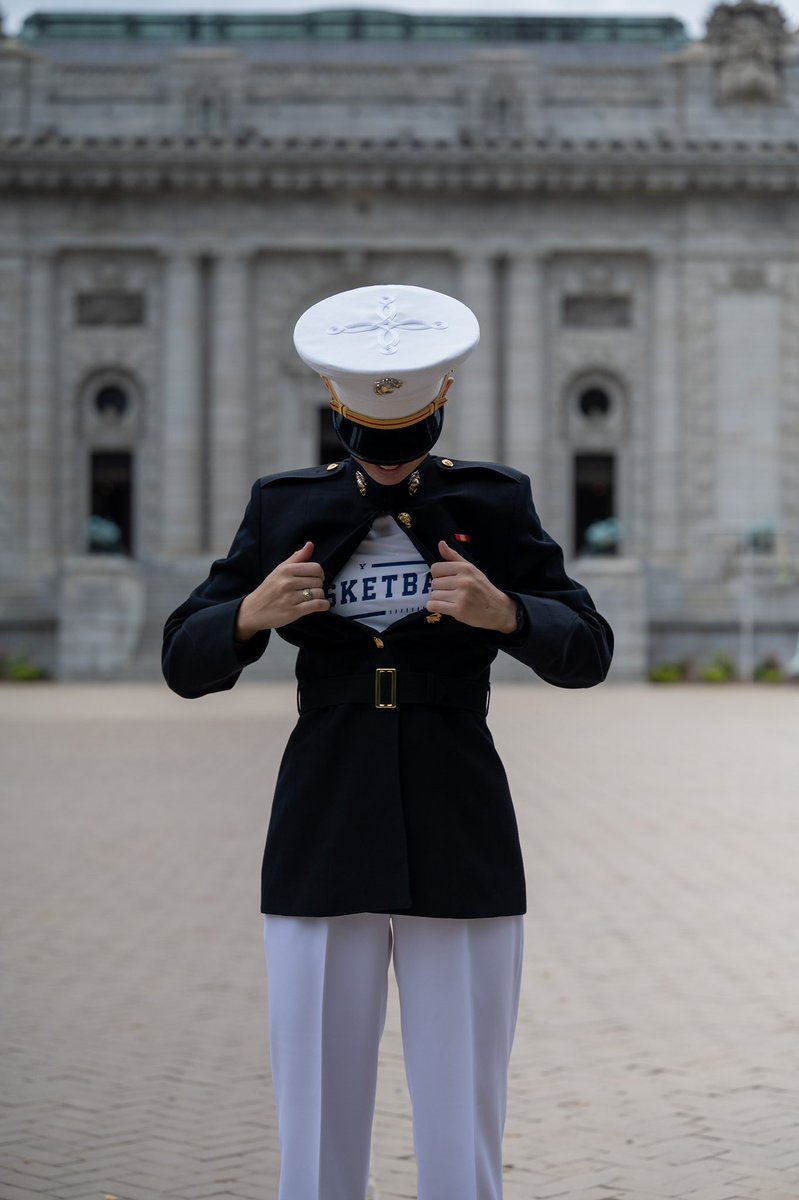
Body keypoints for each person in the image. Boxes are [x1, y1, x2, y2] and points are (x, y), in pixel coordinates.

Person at [162, 283, 613, 1200]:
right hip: (325, 817)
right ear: (337, 406)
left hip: (457, 817)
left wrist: (507, 613)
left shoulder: (492, 503)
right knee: (318, 1119)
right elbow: (183, 657)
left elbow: (587, 650)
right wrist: (248, 617)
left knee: (463, 1113)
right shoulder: (285, 509)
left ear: (439, 403)